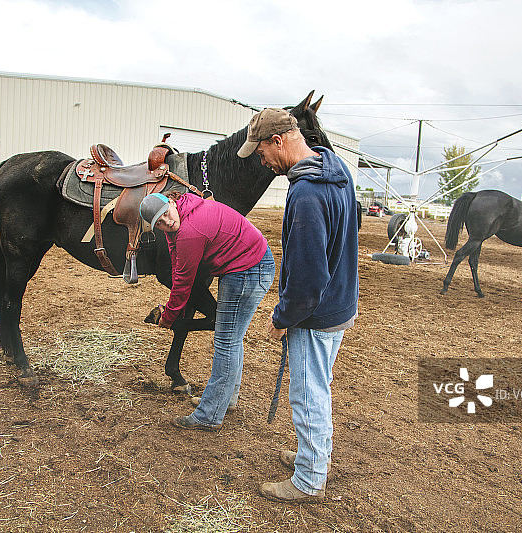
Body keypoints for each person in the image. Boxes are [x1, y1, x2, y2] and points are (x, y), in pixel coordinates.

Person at [237, 108, 359, 503]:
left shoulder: (306, 193)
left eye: (261, 153)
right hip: (340, 301)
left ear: (278, 141)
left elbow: (307, 275)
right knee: (318, 387)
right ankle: (314, 456)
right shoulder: (334, 168)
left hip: (315, 313)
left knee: (308, 394)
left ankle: (309, 480)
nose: (262, 162)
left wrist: (282, 317)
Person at [139, 190, 275, 431]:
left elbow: (183, 283)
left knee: (225, 341)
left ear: (171, 202)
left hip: (247, 271)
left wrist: (168, 317)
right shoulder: (184, 211)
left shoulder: (190, 231)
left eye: (166, 214)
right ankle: (225, 399)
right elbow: (176, 259)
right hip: (250, 264)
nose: (166, 222)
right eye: (159, 222)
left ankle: (209, 415)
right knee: (232, 339)